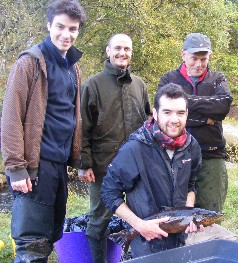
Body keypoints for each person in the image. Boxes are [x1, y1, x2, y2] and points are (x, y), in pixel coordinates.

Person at [0, 0, 86, 262]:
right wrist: (16, 168)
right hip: (34, 167)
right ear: (48, 25)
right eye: (60, 27)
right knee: (31, 246)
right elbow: (11, 117)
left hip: (58, 167)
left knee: (50, 237)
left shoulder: (73, 67)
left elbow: (74, 116)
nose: (66, 34)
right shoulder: (30, 63)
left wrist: (79, 160)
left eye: (72, 29)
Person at [101, 83, 203, 258]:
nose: (174, 119)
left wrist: (189, 214)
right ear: (155, 113)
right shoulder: (135, 148)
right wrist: (140, 226)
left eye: (180, 113)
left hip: (179, 239)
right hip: (146, 242)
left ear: (187, 114)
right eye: (167, 112)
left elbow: (191, 185)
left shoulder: (192, 146)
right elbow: (108, 192)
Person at [78, 33, 151, 262]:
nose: (123, 53)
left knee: (140, 216)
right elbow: (81, 128)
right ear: (108, 51)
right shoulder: (93, 85)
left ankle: (135, 257)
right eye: (118, 48)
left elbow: (149, 123)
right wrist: (84, 164)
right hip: (103, 167)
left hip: (137, 166)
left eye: (127, 49)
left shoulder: (139, 85)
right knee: (99, 220)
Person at [158, 33, 233, 213]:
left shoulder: (218, 79)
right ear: (183, 55)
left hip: (211, 155)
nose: (198, 64)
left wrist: (184, 103)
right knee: (177, 213)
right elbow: (164, 116)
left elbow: (222, 107)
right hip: (175, 155)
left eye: (203, 59)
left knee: (210, 213)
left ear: (209, 57)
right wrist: (205, 119)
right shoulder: (169, 79)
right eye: (194, 58)